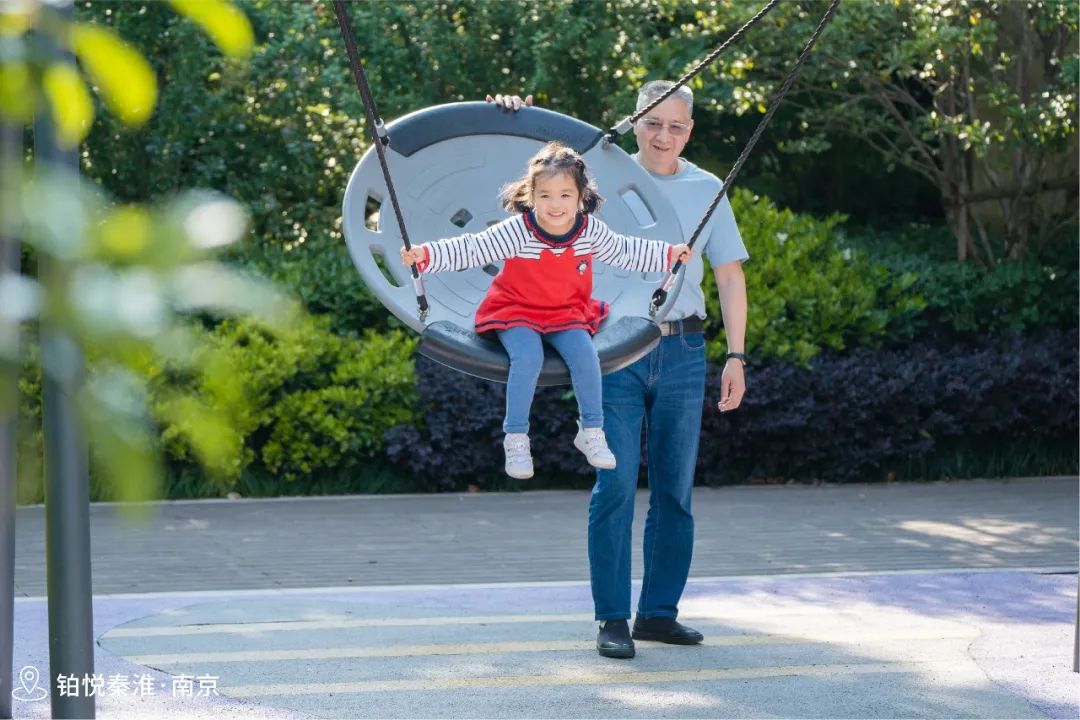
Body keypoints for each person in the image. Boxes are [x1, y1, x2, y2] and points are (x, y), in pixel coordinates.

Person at [487, 82, 748, 659]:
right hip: (612, 349)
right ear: (635, 123)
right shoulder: (598, 177)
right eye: (653, 123)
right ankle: (612, 618)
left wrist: (736, 354)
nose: (663, 136)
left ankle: (658, 613)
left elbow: (729, 276)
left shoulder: (708, 189)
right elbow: (541, 187)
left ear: (690, 131)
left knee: (675, 492)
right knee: (614, 485)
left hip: (682, 349)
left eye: (676, 126)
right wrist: (513, 115)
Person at [402, 140, 691, 481]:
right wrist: (427, 255)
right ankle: (516, 437)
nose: (555, 205)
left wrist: (667, 255)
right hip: (516, 309)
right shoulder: (518, 230)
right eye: (545, 195)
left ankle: (591, 431)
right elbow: (473, 248)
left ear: (581, 196)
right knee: (528, 358)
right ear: (531, 195)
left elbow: (624, 251)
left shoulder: (589, 231)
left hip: (565, 312)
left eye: (565, 195)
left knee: (586, 356)